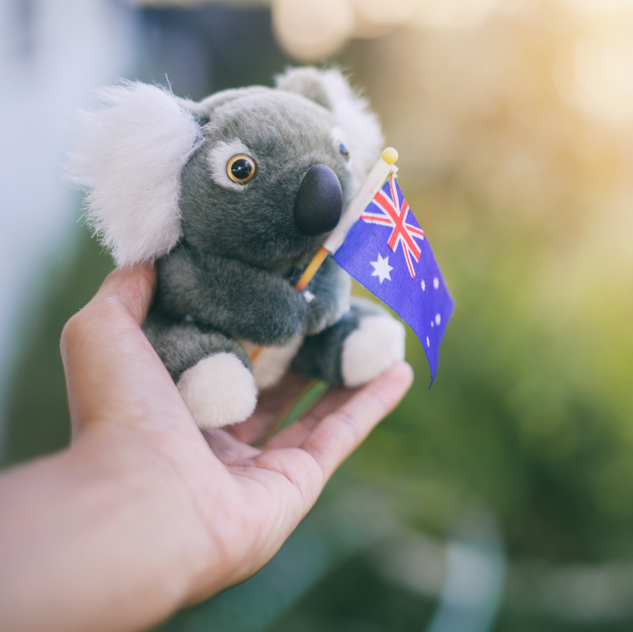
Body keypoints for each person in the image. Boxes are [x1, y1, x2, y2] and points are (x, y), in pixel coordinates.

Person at [0, 264, 414, 632]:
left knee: (331, 319)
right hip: (201, 341)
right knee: (201, 354)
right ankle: (204, 368)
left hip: (299, 331)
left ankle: (345, 340)